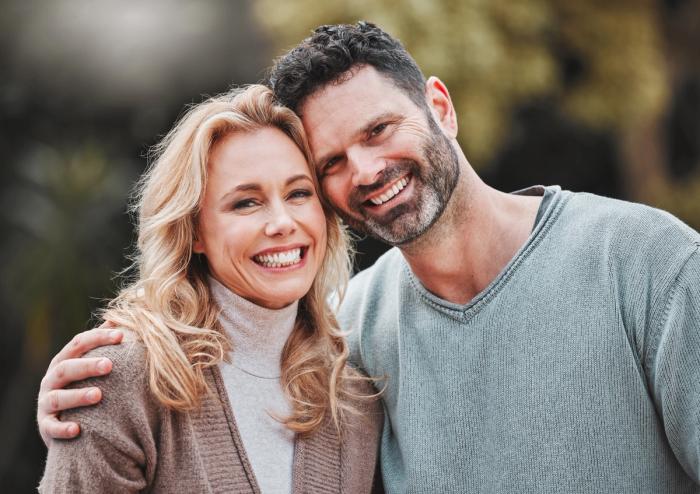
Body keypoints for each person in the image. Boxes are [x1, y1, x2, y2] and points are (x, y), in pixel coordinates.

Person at [38, 22, 700, 493]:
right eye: (331, 162)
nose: (367, 170)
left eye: (379, 130)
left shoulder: (645, 263)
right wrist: (89, 412)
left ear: (439, 106)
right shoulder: (355, 332)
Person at [38, 84, 382, 493]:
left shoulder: (354, 400)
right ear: (194, 231)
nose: (282, 222)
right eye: (246, 203)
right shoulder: (121, 378)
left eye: (298, 193)